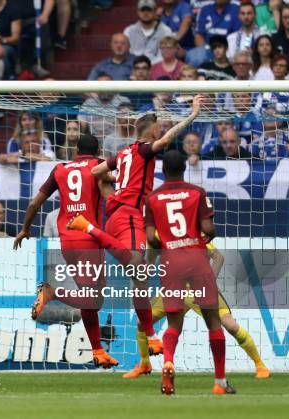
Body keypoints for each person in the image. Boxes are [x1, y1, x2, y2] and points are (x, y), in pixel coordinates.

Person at [91, 95, 204, 357]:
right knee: (139, 273)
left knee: (140, 275)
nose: (161, 130)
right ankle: (151, 335)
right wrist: (193, 115)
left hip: (121, 216)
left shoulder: (123, 153)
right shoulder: (144, 148)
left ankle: (149, 338)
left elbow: (96, 173)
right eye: (158, 127)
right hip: (129, 215)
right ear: (150, 130)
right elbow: (165, 141)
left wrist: (119, 177)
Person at [14, 134, 136, 368]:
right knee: (92, 300)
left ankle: (98, 352)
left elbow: (33, 204)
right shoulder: (98, 166)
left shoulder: (60, 169)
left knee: (94, 301)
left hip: (68, 240)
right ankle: (51, 292)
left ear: (75, 149)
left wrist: (25, 230)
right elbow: (116, 184)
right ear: (98, 149)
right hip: (88, 237)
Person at [144, 150, 236, 395]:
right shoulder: (197, 193)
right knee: (213, 322)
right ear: (184, 169)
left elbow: (149, 239)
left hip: (171, 262)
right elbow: (209, 228)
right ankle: (220, 382)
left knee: (173, 322)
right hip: (197, 259)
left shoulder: (152, 198)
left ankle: (168, 361)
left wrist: (166, 244)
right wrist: (201, 236)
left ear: (163, 170)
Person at [124, 239, 271, 380]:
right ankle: (144, 364)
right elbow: (150, 262)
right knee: (141, 323)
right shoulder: (160, 236)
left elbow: (218, 257)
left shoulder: (193, 235)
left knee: (231, 326)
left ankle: (260, 365)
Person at [79, 73, 131, 139]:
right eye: (101, 86)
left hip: (116, 141)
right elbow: (81, 125)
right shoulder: (88, 103)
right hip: (94, 142)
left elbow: (129, 125)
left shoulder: (123, 101)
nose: (104, 89)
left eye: (106, 86)